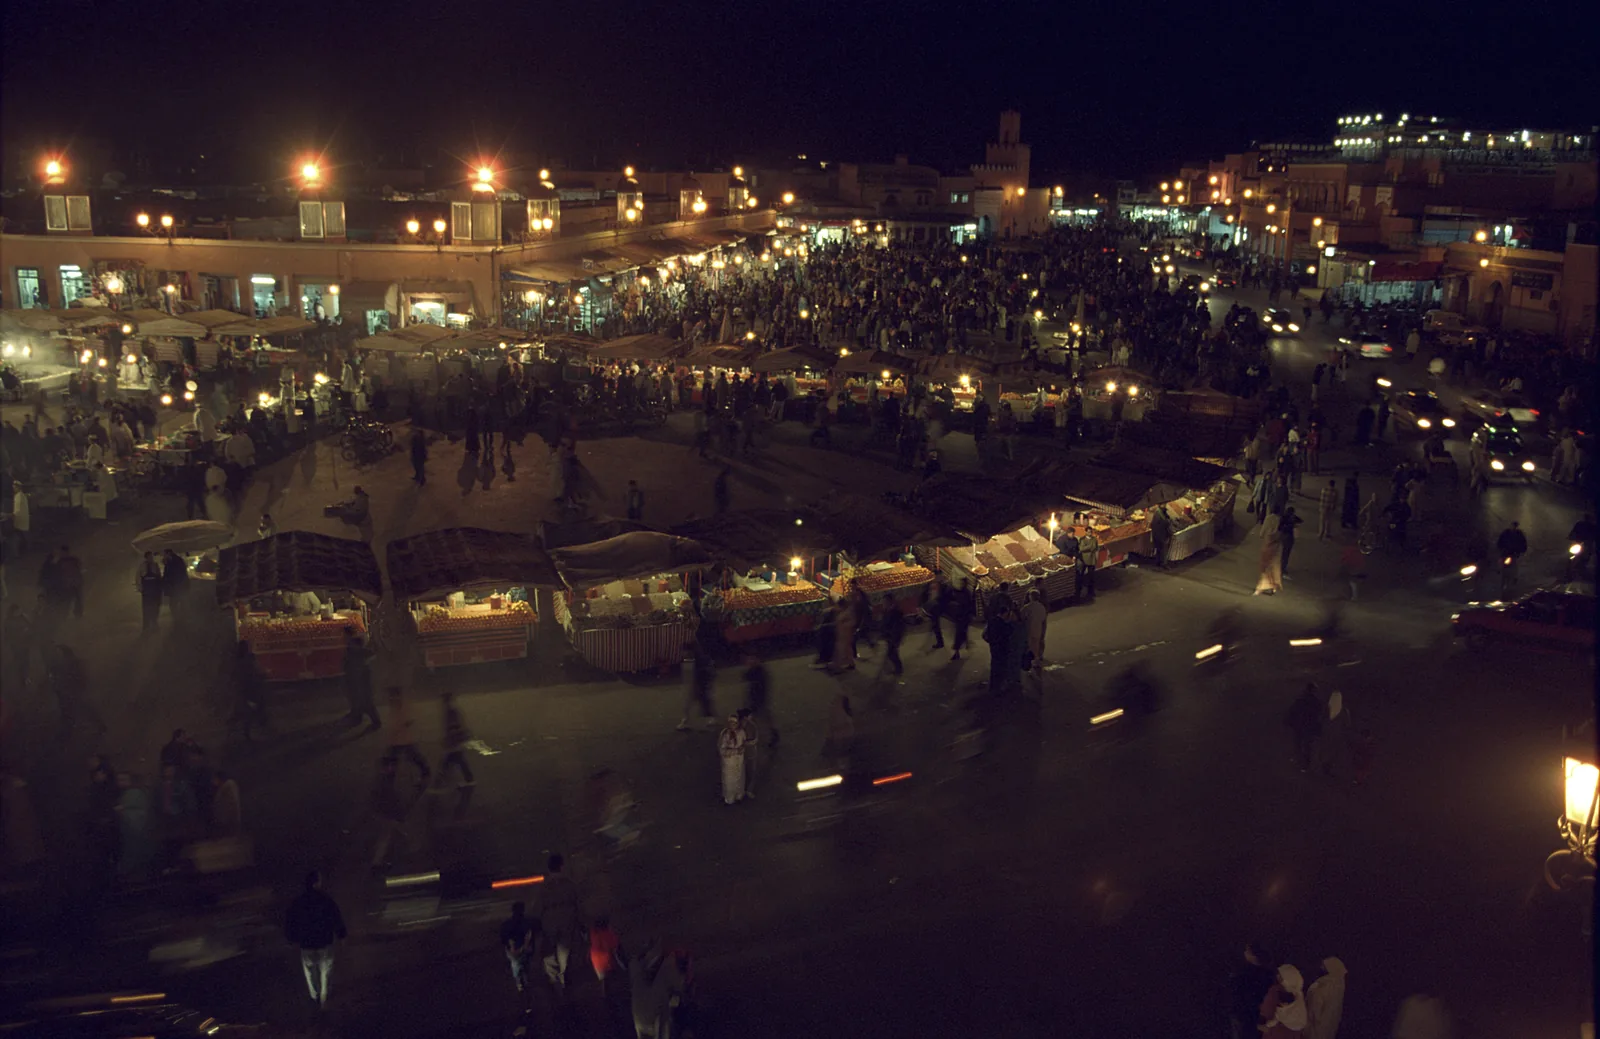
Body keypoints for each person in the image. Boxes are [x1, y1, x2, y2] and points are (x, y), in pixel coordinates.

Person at [284, 870, 347, 1009]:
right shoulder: (326, 900)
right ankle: (325, 1000)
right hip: (325, 942)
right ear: (316, 883)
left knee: (310, 973)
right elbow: (336, 917)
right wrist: (341, 936)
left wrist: (291, 939)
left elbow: (291, 921)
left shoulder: (298, 902)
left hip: (307, 944)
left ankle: (315, 997)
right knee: (326, 973)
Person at [537, 853, 580, 990]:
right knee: (564, 950)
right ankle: (564, 976)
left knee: (549, 951)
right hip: (567, 919)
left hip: (549, 921)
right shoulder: (569, 883)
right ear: (562, 866)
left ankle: (554, 979)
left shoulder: (544, 886)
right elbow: (576, 901)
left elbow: (538, 906)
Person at [1229, 942, 1278, 1039]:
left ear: (1253, 956)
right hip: (1262, 1016)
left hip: (1245, 1016)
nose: (1244, 952)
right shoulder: (1269, 974)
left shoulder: (1243, 974)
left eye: (1247, 950)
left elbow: (1241, 998)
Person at [382, 688, 431, 784]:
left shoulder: (404, 707)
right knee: (394, 757)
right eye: (391, 697)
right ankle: (389, 775)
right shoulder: (394, 707)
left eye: (393, 696)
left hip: (405, 739)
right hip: (396, 740)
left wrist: (403, 725)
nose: (391, 698)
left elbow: (409, 720)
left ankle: (426, 772)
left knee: (413, 756)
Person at [341, 629, 380, 728]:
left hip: (358, 676)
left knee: (365, 700)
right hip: (356, 675)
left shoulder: (354, 647)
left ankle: (375, 721)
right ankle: (358, 716)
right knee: (359, 699)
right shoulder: (353, 646)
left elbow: (368, 655)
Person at [436, 692, 475, 789]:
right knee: (458, 760)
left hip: (453, 741)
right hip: (454, 740)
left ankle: (438, 784)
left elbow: (453, 727)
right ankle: (469, 779)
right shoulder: (452, 710)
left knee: (452, 760)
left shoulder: (450, 712)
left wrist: (448, 739)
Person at [1259, 963, 1307, 1038]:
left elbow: (1267, 1011)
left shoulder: (1276, 990)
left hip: (1276, 1031)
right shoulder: (1299, 993)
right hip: (1293, 1033)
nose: (1277, 976)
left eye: (1280, 974)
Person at [1305, 957, 1348, 1039]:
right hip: (1328, 1030)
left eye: (1323, 967)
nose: (1321, 968)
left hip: (1314, 1030)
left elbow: (1314, 1012)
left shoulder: (1321, 987)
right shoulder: (1339, 987)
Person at [1286, 683, 1323, 771]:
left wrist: (1290, 722)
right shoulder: (1316, 701)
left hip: (1299, 725)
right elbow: (1318, 715)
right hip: (1309, 726)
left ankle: (1299, 762)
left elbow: (1292, 711)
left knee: (1298, 744)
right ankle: (1305, 764)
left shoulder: (1300, 700)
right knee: (1307, 746)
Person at [678, 644, 717, 730]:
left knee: (704, 702)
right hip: (689, 686)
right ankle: (686, 722)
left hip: (699, 685)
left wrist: (704, 685)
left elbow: (705, 673)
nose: (683, 653)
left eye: (685, 651)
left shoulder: (699, 661)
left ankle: (710, 719)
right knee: (686, 705)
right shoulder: (684, 660)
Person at [501, 901, 535, 993]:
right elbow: (529, 935)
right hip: (520, 950)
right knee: (523, 966)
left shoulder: (508, 924)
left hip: (517, 950)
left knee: (517, 966)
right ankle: (524, 983)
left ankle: (520, 983)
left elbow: (506, 939)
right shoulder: (527, 922)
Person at [743, 656, 777, 746]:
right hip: (758, 697)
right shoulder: (758, 671)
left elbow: (750, 679)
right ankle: (771, 733)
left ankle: (769, 734)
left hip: (758, 697)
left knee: (760, 716)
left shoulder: (757, 672)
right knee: (761, 716)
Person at [717, 714, 747, 805]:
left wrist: (743, 748)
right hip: (729, 762)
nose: (732, 725)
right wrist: (735, 751)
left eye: (735, 723)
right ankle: (729, 798)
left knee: (739, 776)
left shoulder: (741, 732)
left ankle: (739, 795)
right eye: (730, 723)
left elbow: (744, 742)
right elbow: (722, 749)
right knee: (729, 780)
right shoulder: (725, 735)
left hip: (739, 760)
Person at [589, 915, 620, 996]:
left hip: (595, 959)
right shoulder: (608, 934)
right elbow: (615, 945)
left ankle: (604, 995)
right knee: (611, 980)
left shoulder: (593, 933)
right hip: (606, 961)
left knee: (602, 981)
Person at [1254, 511, 1283, 595]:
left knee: (1265, 566)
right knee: (1273, 566)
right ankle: (1273, 585)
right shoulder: (1280, 520)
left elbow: (1262, 532)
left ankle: (1262, 586)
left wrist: (1262, 535)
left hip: (1267, 544)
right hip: (1276, 546)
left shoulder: (1268, 518)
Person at [1496, 521, 1528, 595]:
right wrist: (1500, 549)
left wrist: (1521, 551)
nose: (1513, 527)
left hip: (1514, 554)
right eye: (1513, 525)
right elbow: (1500, 542)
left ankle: (1513, 578)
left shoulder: (1519, 534)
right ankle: (1503, 579)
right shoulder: (1506, 533)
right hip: (1505, 553)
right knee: (1503, 566)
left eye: (1514, 526)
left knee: (1513, 566)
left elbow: (1523, 543)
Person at [137, 551, 164, 631]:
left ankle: (154, 623)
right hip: (147, 590)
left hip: (155, 590)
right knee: (146, 608)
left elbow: (159, 576)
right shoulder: (142, 566)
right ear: (146, 557)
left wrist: (160, 587)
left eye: (151, 557)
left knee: (156, 607)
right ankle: (146, 625)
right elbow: (138, 577)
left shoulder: (155, 565)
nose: (151, 558)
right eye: (149, 557)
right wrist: (140, 588)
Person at [1021, 589, 1047, 674]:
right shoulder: (1041, 607)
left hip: (1028, 630)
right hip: (1038, 629)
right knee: (1037, 646)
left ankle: (1029, 663)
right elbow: (1043, 620)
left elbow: (1021, 618)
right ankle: (1037, 660)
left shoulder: (1027, 607)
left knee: (1029, 647)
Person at [948, 579, 973, 660]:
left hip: (963, 617)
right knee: (962, 632)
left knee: (959, 634)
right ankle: (963, 645)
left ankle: (957, 651)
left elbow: (968, 605)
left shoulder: (965, 593)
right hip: (962, 617)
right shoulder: (963, 592)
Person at [880, 601, 905, 675]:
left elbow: (896, 626)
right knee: (891, 652)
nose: (883, 604)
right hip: (890, 635)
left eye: (885, 602)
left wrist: (892, 635)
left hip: (893, 636)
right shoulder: (887, 612)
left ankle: (899, 669)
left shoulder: (894, 613)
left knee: (892, 653)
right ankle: (898, 668)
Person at [923, 575, 947, 650]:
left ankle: (940, 642)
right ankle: (939, 641)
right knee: (935, 624)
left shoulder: (941, 587)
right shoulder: (933, 585)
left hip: (936, 608)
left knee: (936, 625)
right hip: (933, 607)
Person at [1279, 506, 1303, 577]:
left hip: (1284, 537)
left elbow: (1280, 527)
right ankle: (1283, 568)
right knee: (1286, 553)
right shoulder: (1292, 519)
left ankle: (1282, 567)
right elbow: (1301, 520)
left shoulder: (1283, 517)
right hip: (1289, 538)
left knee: (1284, 552)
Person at [1149, 503, 1171, 568]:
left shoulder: (1160, 512)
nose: (1165, 505)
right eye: (1164, 504)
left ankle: (1158, 562)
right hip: (1160, 534)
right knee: (1162, 549)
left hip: (1159, 534)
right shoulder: (1159, 513)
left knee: (1159, 549)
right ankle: (1163, 563)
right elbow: (1164, 522)